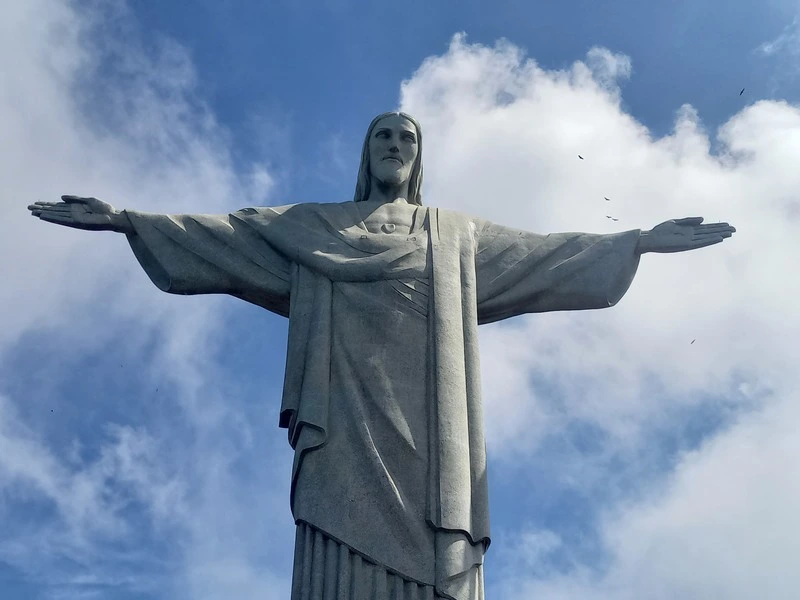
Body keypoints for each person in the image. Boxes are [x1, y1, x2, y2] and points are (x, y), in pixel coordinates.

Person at [28, 112, 735, 600]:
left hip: (432, 435)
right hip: (342, 419)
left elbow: (544, 254)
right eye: (383, 135)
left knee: (439, 552)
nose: (395, 144)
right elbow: (224, 239)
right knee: (337, 541)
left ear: (419, 156)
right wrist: (127, 220)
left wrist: (634, 241)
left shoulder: (454, 235)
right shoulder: (309, 228)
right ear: (365, 152)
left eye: (407, 136)